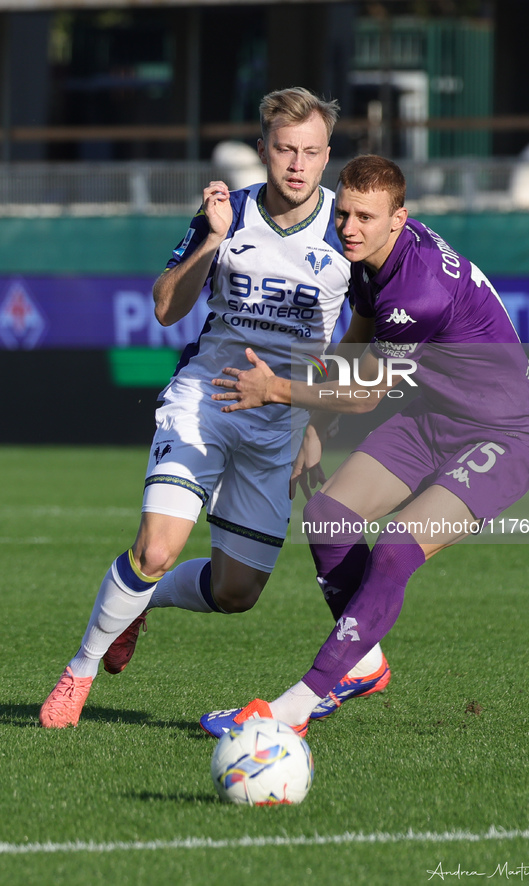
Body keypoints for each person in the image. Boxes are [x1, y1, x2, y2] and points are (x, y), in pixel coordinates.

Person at [40, 87, 393, 729]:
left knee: (236, 594)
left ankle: (140, 605)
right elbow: (166, 306)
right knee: (155, 550)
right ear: (262, 150)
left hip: (278, 423)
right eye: (285, 149)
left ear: (327, 156)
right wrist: (212, 241)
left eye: (311, 152)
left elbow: (360, 334)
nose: (297, 163)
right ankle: (80, 672)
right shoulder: (227, 214)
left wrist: (320, 423)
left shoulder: (347, 232)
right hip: (203, 402)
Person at [198, 154, 529, 737]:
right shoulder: (371, 256)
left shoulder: (419, 293)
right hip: (437, 416)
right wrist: (316, 426)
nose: (350, 228)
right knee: (327, 515)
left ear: (400, 218)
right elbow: (358, 338)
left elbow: (364, 395)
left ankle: (296, 706)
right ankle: (361, 665)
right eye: (343, 214)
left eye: (366, 217)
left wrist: (275, 391)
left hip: (507, 434)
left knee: (394, 548)